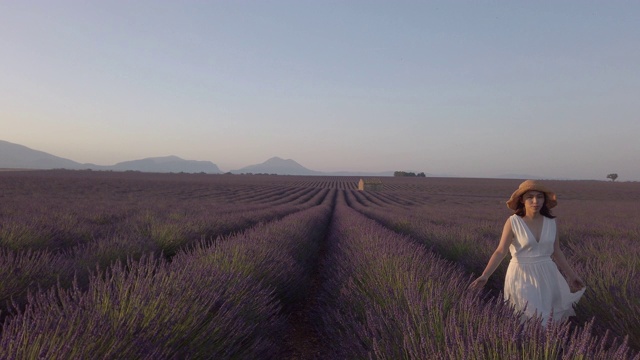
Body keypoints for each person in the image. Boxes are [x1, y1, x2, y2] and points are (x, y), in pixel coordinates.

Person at [470, 180, 586, 325]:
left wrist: (572, 276)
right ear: (522, 200)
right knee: (529, 319)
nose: (535, 201)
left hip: (548, 275)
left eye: (539, 197)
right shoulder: (513, 222)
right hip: (522, 275)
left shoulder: (551, 222)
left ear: (544, 200)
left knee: (550, 320)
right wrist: (485, 275)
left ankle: (549, 347)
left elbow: (556, 252)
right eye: (530, 197)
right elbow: (500, 251)